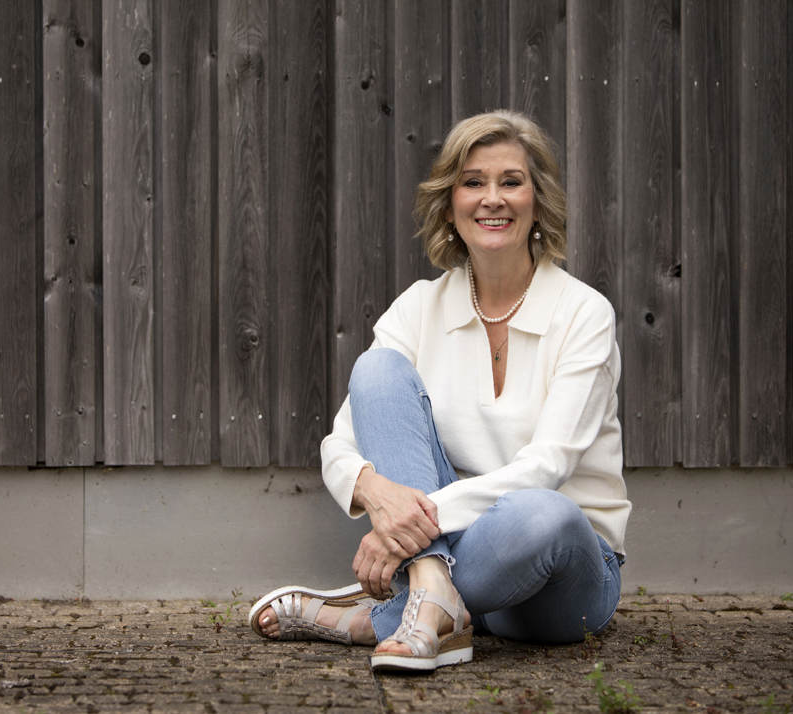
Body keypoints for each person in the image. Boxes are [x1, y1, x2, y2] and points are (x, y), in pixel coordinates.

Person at [248, 110, 630, 672]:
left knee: (547, 513)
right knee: (378, 371)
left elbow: (548, 466)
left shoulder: (584, 313)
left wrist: (406, 526)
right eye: (473, 182)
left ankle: (369, 617)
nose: (492, 199)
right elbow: (340, 445)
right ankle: (433, 600)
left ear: (538, 201)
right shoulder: (420, 307)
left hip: (565, 574)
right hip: (459, 550)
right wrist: (377, 494)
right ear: (449, 204)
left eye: (511, 182)